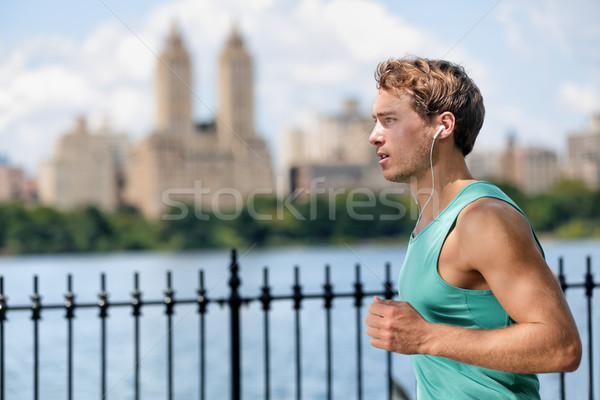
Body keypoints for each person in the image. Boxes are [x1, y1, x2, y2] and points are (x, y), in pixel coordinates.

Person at [364, 57, 581, 399]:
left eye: (389, 120)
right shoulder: (430, 220)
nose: (374, 136)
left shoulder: (482, 218)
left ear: (443, 126)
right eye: (375, 121)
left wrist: (425, 337)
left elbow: (562, 346)